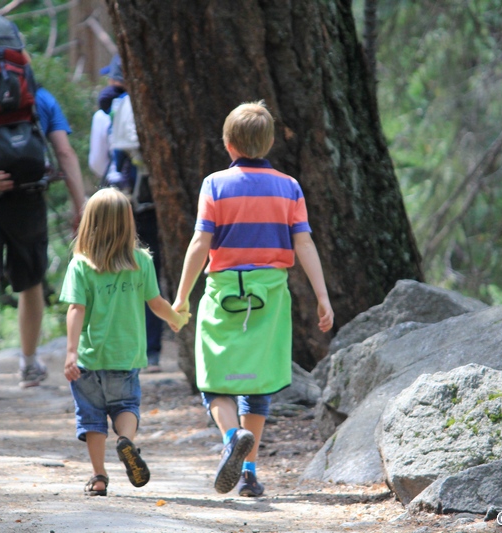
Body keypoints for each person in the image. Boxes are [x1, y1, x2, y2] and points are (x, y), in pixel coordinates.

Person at [172, 101, 334, 497]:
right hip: (270, 296)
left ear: (228, 144)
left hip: (224, 291)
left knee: (214, 380)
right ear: (270, 142)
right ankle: (248, 473)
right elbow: (304, 243)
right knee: (257, 384)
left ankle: (232, 437)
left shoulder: (215, 185)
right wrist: (322, 296)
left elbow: (200, 242)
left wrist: (181, 297)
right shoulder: (289, 187)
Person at [0, 14, 87, 399]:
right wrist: (81, 205)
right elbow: (64, 152)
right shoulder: (37, 96)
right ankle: (28, 363)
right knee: (29, 283)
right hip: (27, 196)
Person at [59, 188, 188, 497]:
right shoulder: (141, 261)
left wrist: (71, 352)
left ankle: (99, 477)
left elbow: (76, 309)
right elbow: (156, 303)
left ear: (89, 223)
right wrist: (175, 318)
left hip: (88, 359)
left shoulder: (80, 265)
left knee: (91, 418)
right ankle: (126, 440)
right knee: (126, 406)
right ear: (128, 222)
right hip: (125, 356)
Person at [89, 54, 165, 373]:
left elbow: (97, 161)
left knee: (112, 269)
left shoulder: (105, 113)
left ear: (116, 79)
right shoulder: (155, 107)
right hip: (151, 201)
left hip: (118, 204)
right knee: (151, 271)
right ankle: (152, 350)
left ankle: (114, 346)